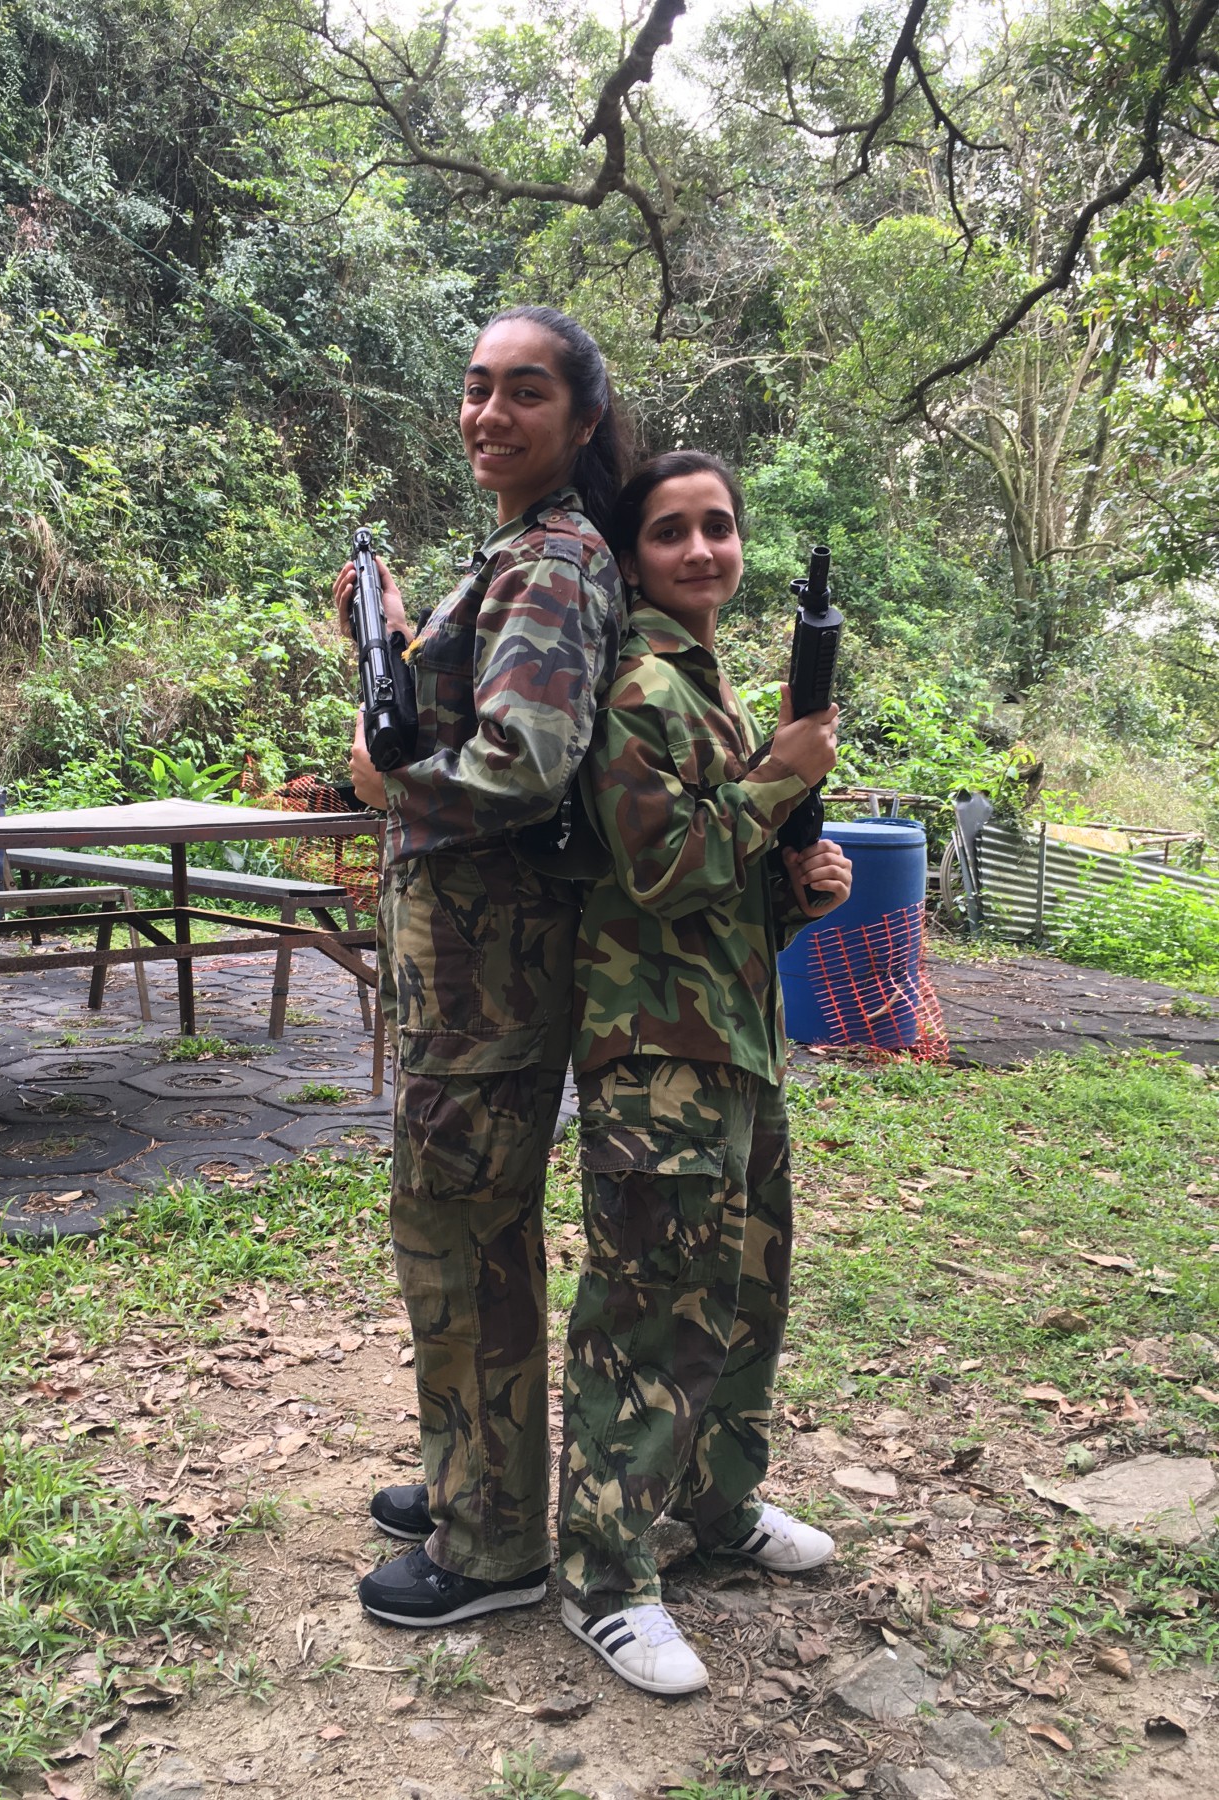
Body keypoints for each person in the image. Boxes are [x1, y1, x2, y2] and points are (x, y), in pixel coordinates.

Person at [332, 306, 629, 1628]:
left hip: (491, 971)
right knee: (462, 1224)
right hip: (467, 965)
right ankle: (474, 1477)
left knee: (462, 1231)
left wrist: (388, 789)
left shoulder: (555, 560)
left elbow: (524, 763)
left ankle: (492, 1542)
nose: (488, 413)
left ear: (581, 419)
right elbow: (463, 715)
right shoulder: (517, 550)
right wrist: (397, 638)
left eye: (524, 392)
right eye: (474, 388)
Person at [556, 450, 853, 1695]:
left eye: (719, 526)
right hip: (654, 1060)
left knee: (741, 1297)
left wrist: (797, 892)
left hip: (735, 1044)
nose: (701, 549)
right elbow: (661, 869)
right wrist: (786, 772)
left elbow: (721, 897)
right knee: (648, 1315)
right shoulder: (637, 685)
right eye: (671, 530)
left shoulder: (714, 691)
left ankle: (719, 1506)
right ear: (634, 558)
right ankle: (605, 1579)